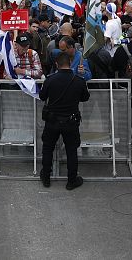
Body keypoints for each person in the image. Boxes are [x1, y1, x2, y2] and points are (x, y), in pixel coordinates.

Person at [38, 51, 91, 190]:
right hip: (71, 121)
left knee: (48, 148)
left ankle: (46, 177)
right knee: (71, 150)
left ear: (57, 64)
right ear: (70, 63)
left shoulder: (50, 80)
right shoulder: (78, 80)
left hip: (52, 121)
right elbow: (85, 98)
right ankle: (71, 180)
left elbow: (42, 96)